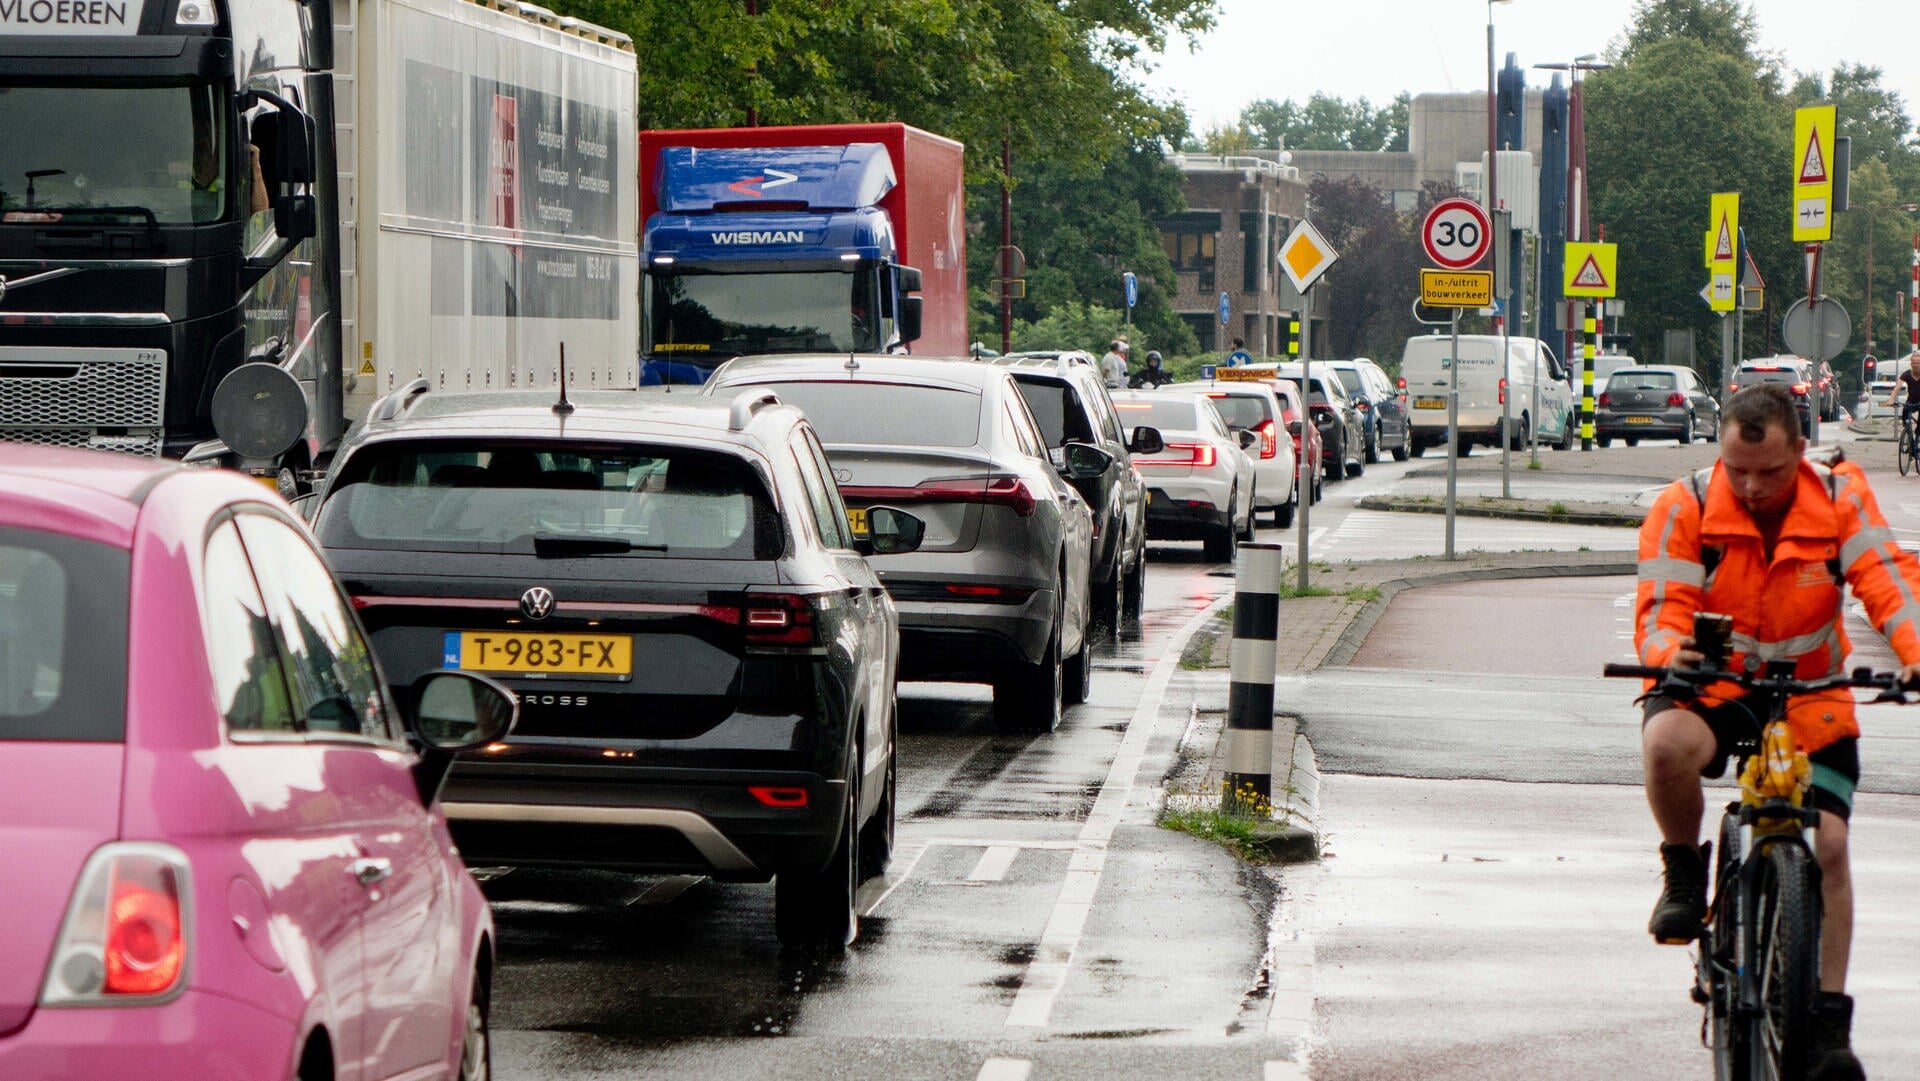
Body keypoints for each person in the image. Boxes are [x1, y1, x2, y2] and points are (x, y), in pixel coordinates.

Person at [1636, 383, 1920, 1081]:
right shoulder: (1686, 505)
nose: (1752, 486)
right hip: (1716, 686)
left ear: (1801, 447)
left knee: (1829, 845)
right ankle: (1681, 868)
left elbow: (1889, 581)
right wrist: (1671, 652)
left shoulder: (1839, 496)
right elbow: (1659, 608)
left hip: (1809, 695)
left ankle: (1825, 1021)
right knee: (1667, 745)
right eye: (1737, 469)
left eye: (1769, 470)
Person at [1881, 351, 1920, 441]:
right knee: (1905, 411)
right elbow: (1896, 388)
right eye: (1914, 363)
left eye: (1918, 363)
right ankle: (1907, 430)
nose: (1916, 365)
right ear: (1911, 364)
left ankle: (1918, 435)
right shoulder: (1906, 374)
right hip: (1911, 401)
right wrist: (1891, 400)